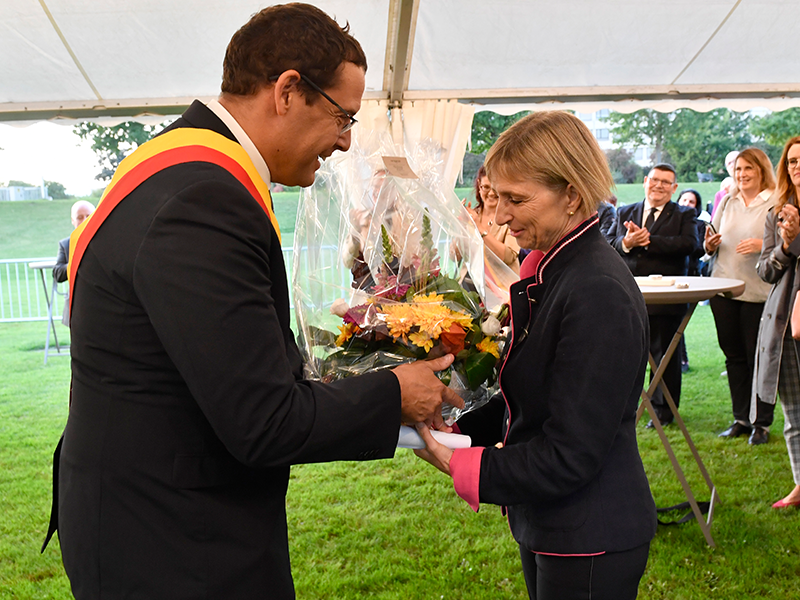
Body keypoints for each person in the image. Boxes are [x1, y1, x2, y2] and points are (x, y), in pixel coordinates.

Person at [42, 5, 462, 599]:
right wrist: (395, 393)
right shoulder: (205, 197)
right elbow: (263, 421)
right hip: (174, 541)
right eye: (343, 117)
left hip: (147, 509)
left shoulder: (176, 165)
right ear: (288, 90)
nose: (345, 142)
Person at [414, 111, 656, 600]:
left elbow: (570, 453)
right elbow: (532, 400)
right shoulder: (558, 268)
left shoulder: (595, 288)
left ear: (571, 193)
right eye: (495, 196)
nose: (500, 215)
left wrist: (467, 467)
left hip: (589, 532)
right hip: (556, 521)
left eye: (516, 199)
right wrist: (453, 418)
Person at [608, 164, 699, 427]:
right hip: (628, 296)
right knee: (628, 355)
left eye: (665, 182)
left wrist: (649, 241)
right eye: (655, 180)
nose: (659, 186)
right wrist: (627, 243)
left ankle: (663, 411)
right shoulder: (625, 211)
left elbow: (689, 244)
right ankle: (625, 408)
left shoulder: (685, 214)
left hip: (667, 299)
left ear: (674, 188)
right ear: (646, 181)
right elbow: (609, 244)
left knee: (664, 356)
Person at [705, 148, 777, 445]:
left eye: (748, 168)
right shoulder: (728, 201)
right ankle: (741, 419)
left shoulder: (774, 200)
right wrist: (709, 244)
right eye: (738, 169)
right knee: (733, 357)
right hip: (724, 288)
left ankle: (762, 423)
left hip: (758, 292)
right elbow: (711, 239)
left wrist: (762, 243)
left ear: (761, 170)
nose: (742, 174)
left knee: (756, 358)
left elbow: (787, 241)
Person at [753, 135, 800, 505]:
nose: (797, 167)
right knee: (794, 414)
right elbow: (766, 270)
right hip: (783, 325)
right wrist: (786, 246)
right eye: (792, 161)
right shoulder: (776, 214)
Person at [468, 166, 520, 274]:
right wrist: (460, 225)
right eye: (486, 187)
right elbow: (455, 255)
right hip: (470, 283)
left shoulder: (512, 217)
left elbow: (509, 256)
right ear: (479, 185)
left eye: (495, 188)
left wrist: (480, 228)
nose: (491, 193)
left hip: (501, 286)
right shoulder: (472, 215)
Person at [52, 200, 95, 326]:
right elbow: (57, 274)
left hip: (104, 306)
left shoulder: (108, 241)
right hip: (77, 308)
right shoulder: (66, 244)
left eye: (88, 216)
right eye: (79, 217)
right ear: (72, 221)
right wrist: (75, 263)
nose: (84, 220)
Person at [711, 151, 740, 218]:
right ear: (727, 168)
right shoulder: (720, 195)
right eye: (729, 163)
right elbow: (715, 221)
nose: (733, 165)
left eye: (736, 160)